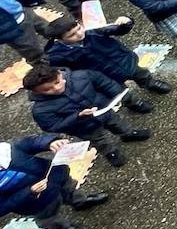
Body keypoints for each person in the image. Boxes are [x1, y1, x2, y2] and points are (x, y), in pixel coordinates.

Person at [23, 64, 151, 166]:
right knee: (100, 141)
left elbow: (103, 82)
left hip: (104, 110)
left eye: (57, 82)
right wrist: (77, 117)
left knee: (118, 123)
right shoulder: (41, 109)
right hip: (84, 127)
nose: (56, 88)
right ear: (35, 91)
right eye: (47, 89)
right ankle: (110, 152)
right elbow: (52, 126)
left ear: (59, 74)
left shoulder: (80, 76)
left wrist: (117, 93)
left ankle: (128, 134)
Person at [40, 11, 172, 99]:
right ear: (59, 39)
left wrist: (126, 23)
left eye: (79, 28)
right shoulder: (56, 54)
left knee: (141, 73)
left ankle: (150, 83)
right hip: (104, 74)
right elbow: (66, 71)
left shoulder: (93, 31)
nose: (80, 34)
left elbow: (116, 29)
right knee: (119, 92)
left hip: (124, 60)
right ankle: (133, 102)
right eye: (72, 35)